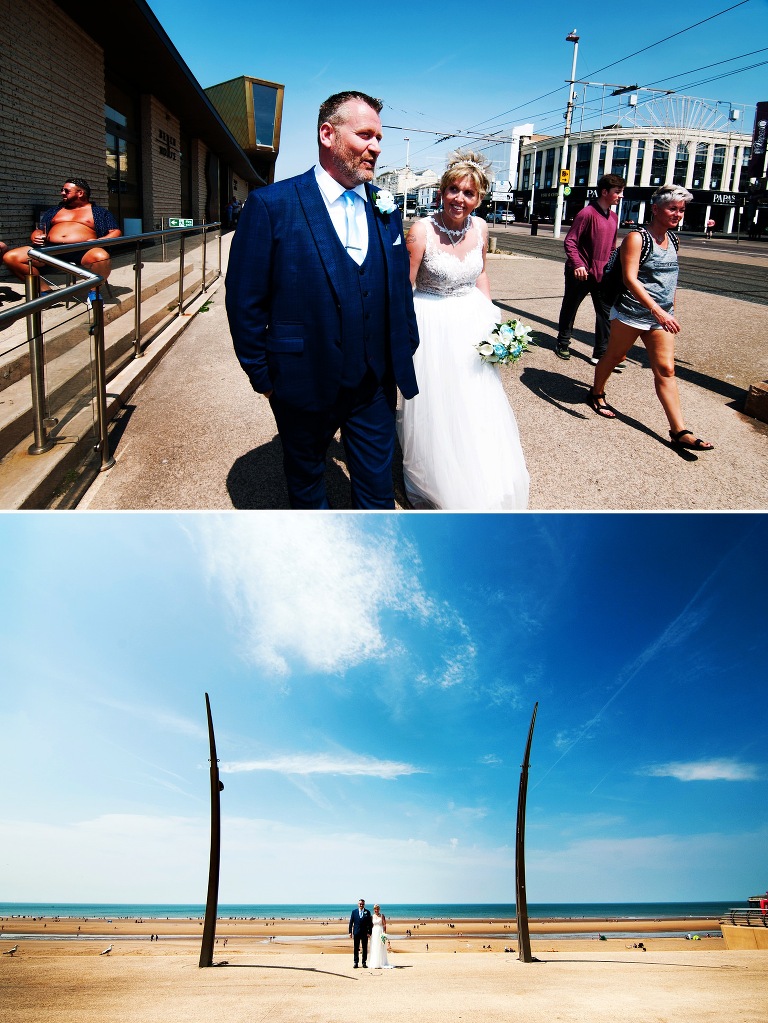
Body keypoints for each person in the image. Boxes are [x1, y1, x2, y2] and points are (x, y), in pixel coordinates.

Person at [226, 90, 419, 509]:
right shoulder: (271, 205)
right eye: (365, 135)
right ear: (327, 134)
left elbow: (398, 287)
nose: (377, 147)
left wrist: (405, 343)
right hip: (301, 381)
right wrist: (265, 379)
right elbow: (244, 302)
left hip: (373, 383)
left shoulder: (384, 208)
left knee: (376, 490)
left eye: (379, 138)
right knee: (308, 488)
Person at [397, 150, 529, 509]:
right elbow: (404, 286)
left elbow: (481, 272)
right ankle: (435, 475)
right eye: (453, 189)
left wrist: (494, 320)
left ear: (479, 198)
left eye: (468, 193)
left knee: (474, 400)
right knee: (436, 402)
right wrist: (401, 335)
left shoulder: (481, 227)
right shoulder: (421, 230)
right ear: (442, 191)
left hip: (472, 320)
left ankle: (475, 467)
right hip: (431, 323)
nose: (459, 198)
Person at [588, 185, 714, 452]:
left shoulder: (674, 240)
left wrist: (668, 310)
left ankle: (679, 431)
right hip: (632, 313)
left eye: (681, 210)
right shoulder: (637, 238)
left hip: (660, 318)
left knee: (666, 370)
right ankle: (596, 393)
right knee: (615, 357)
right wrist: (657, 310)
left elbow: (670, 281)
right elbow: (629, 279)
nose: (677, 214)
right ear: (655, 209)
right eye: (672, 208)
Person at [554, 174, 625, 364]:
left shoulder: (614, 217)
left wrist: (612, 268)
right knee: (570, 306)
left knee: (605, 313)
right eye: (617, 192)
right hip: (580, 273)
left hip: (601, 274)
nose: (621, 196)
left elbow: (611, 247)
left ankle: (601, 353)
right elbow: (570, 241)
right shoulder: (586, 213)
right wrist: (578, 264)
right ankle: (562, 342)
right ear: (604, 192)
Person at [2, 179, 121, 291]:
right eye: (62, 190)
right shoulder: (54, 211)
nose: (62, 193)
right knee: (11, 257)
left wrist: (99, 241)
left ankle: (93, 293)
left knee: (102, 257)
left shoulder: (100, 212)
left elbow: (115, 231)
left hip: (82, 250)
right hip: (50, 248)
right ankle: (44, 292)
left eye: (66, 191)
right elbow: (39, 229)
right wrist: (36, 235)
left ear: (80, 193)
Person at [349, 898, 373, 968]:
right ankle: (356, 962)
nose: (361, 905)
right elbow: (351, 922)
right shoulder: (354, 912)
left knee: (364, 948)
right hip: (356, 932)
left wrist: (369, 932)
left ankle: (364, 962)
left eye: (362, 904)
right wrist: (350, 932)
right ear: (358, 904)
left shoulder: (367, 912)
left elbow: (370, 924)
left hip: (365, 933)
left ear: (364, 904)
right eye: (360, 904)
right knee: (356, 948)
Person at [369, 904, 393, 968]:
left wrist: (384, 933)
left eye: (377, 909)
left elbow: (384, 925)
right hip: (374, 932)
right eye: (375, 909)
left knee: (380, 946)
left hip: (380, 931)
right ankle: (375, 962)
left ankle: (381, 962)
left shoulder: (382, 916)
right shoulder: (372, 916)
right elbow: (371, 925)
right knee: (375, 946)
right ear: (374, 909)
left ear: (379, 909)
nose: (376, 910)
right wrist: (369, 933)